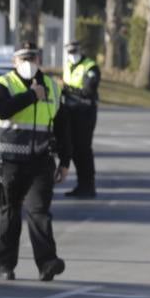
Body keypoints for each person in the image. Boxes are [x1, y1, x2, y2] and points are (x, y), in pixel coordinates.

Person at [0, 41, 71, 281]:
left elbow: (63, 127)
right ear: (14, 61)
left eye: (32, 58)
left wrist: (65, 161)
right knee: (9, 213)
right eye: (23, 58)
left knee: (39, 212)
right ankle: (6, 266)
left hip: (40, 161)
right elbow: (2, 110)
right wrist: (31, 96)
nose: (28, 63)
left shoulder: (53, 88)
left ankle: (47, 263)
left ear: (39, 60)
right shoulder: (2, 84)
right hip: (9, 161)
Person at [61, 40, 101, 198]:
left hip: (85, 113)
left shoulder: (90, 67)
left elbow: (88, 90)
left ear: (80, 50)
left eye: (74, 51)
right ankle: (81, 185)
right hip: (71, 112)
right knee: (75, 150)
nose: (72, 55)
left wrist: (66, 89)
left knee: (84, 149)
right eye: (69, 52)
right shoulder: (68, 65)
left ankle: (89, 186)